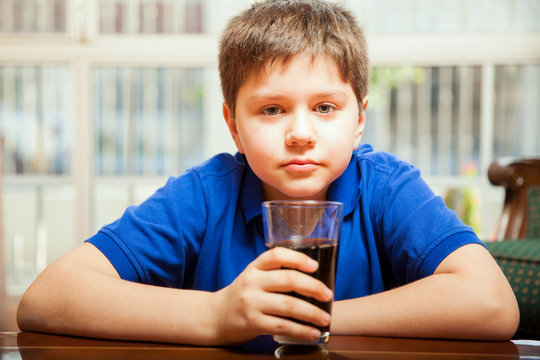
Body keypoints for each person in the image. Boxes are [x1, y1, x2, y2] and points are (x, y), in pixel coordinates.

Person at [17, 0, 519, 345]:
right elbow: (47, 297)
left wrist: (312, 318)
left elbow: (493, 304)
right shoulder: (204, 195)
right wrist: (218, 316)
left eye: (325, 107)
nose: (300, 132)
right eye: (272, 110)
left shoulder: (387, 188)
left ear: (359, 119)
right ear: (233, 126)